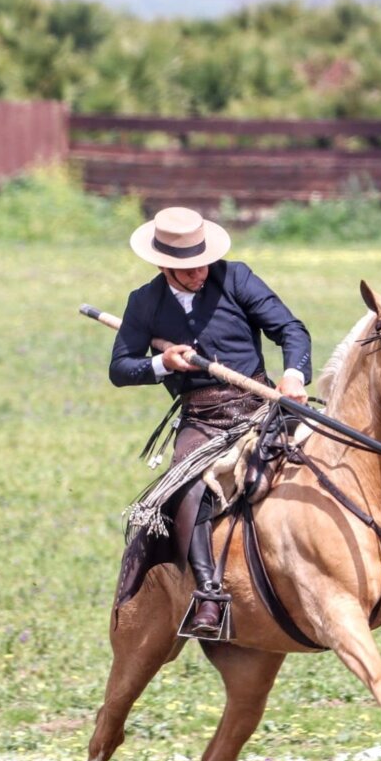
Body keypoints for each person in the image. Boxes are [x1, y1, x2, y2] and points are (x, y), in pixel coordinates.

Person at [110, 207, 312, 637]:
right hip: (202, 417)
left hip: (262, 402)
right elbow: (120, 369)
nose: (199, 273)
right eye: (187, 269)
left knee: (335, 444)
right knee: (187, 486)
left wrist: (294, 372)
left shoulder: (235, 278)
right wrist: (162, 363)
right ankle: (208, 594)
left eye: (202, 262)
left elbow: (292, 330)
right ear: (165, 265)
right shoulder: (143, 303)